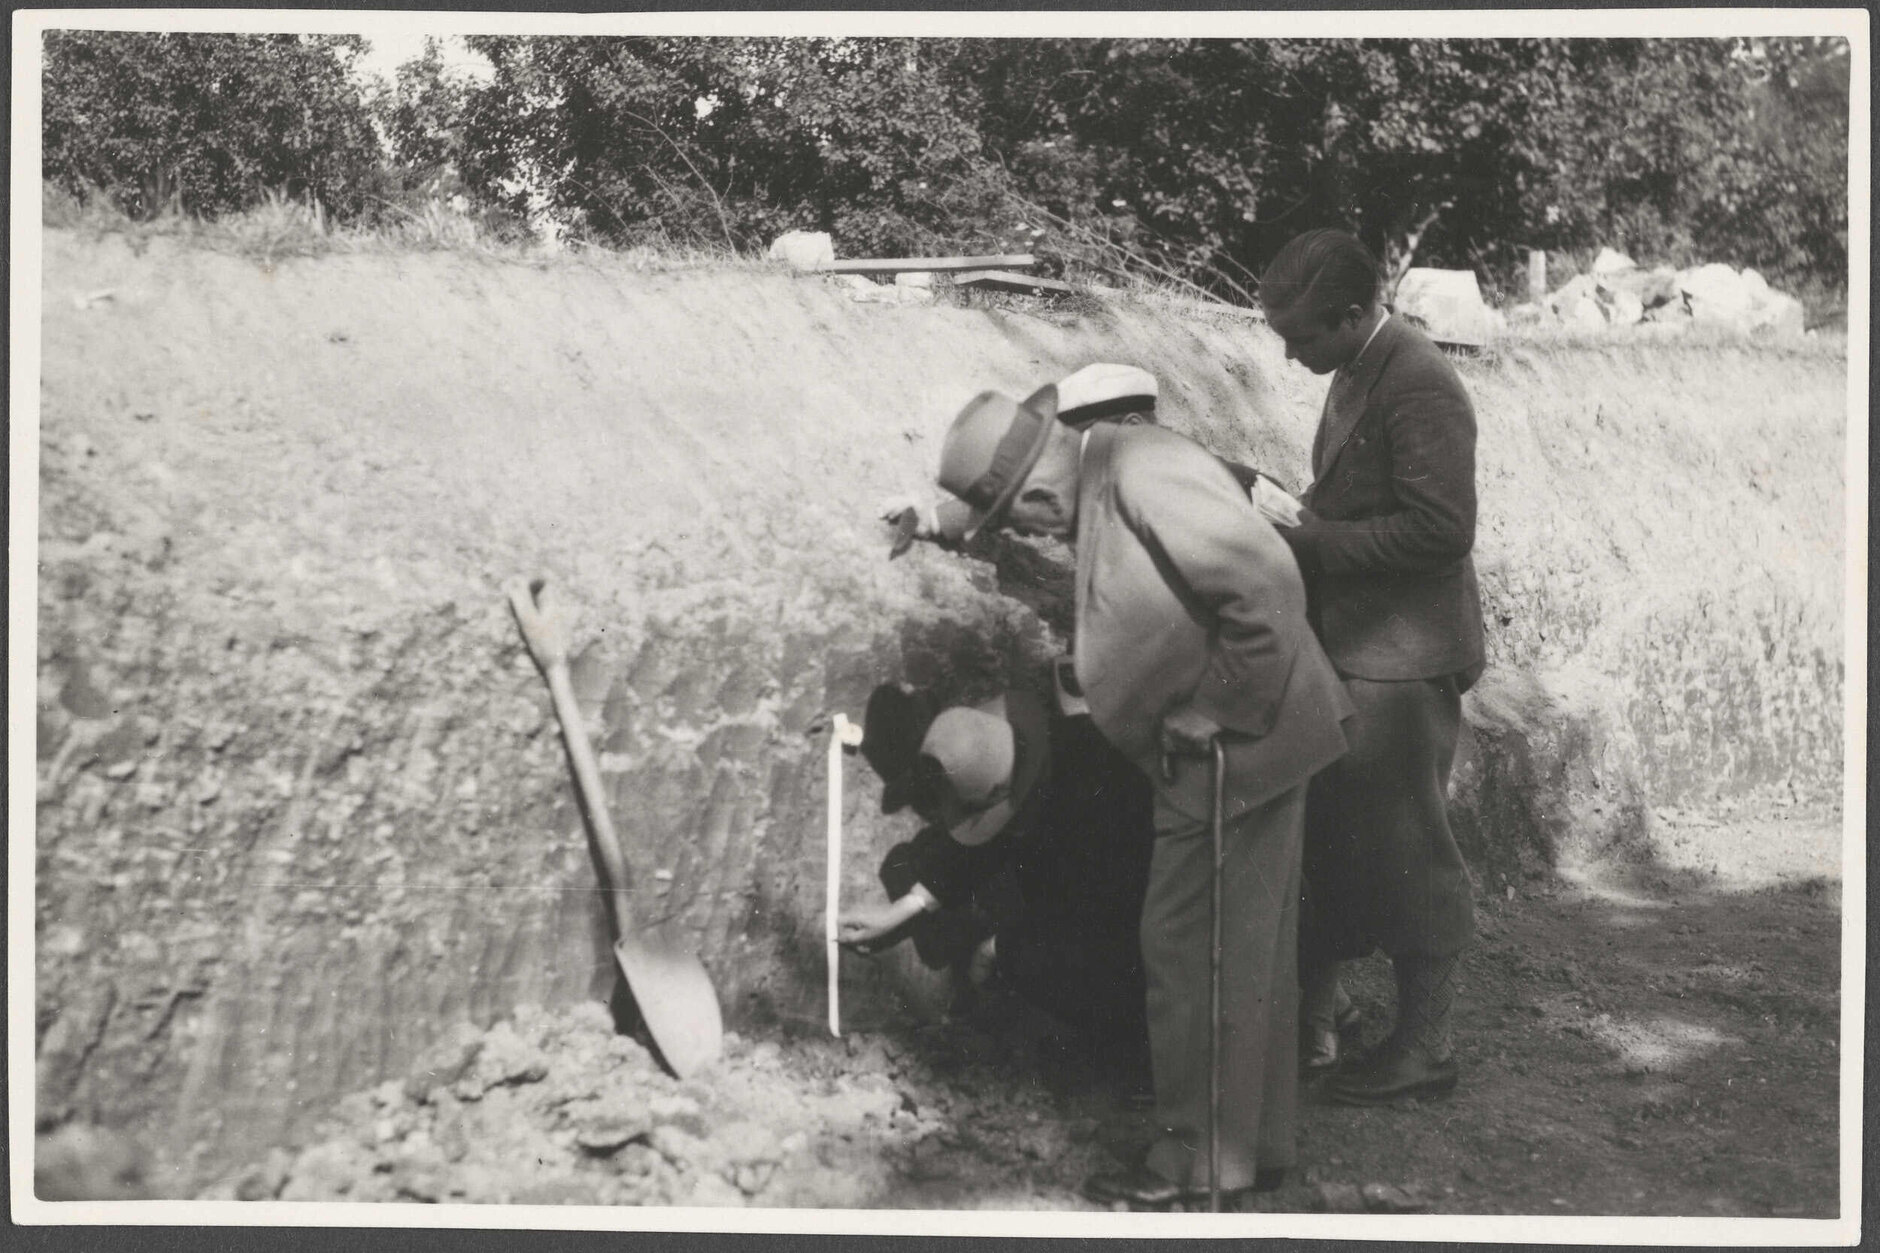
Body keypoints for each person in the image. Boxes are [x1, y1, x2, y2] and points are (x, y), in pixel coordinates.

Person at [931, 379, 1353, 1206]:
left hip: (1235, 742)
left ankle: (1193, 1163)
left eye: (1017, 521)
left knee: (1191, 952)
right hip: (1257, 739)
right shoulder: (1112, 468)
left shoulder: (1138, 473)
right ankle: (1251, 1150)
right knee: (1247, 951)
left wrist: (1216, 706)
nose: (1032, 539)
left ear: (1041, 490)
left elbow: (1266, 585)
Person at [1255, 228, 1487, 1105]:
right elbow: (1363, 491)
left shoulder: (1421, 384)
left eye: (1301, 334)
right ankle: (1333, 1014)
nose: (1287, 350)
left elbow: (1442, 531)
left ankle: (1427, 1045)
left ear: (1354, 315)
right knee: (1350, 841)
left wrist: (1315, 544)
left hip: (1403, 655)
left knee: (1411, 851)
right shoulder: (1359, 366)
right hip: (1361, 643)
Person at [837, 682, 1155, 1069]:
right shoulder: (1023, 751)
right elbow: (984, 844)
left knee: (1047, 970)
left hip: (1156, 938)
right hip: (1109, 906)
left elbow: (1100, 926)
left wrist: (1000, 949)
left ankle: (1130, 1068)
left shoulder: (1099, 802)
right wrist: (906, 907)